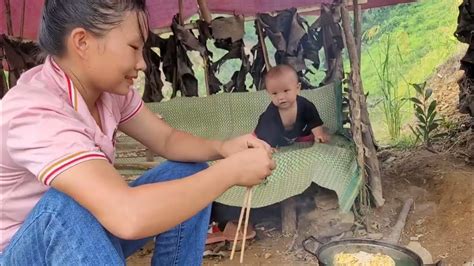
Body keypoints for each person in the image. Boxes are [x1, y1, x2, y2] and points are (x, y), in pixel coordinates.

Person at [0, 1, 275, 265]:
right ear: (82, 42)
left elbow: (167, 140)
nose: (142, 63)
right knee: (64, 209)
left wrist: (224, 148)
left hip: (86, 231)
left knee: (189, 172)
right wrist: (230, 172)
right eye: (133, 47)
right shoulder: (36, 110)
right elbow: (127, 216)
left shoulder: (109, 91)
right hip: (22, 252)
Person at [254, 64, 331, 148]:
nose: (281, 97)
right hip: (278, 134)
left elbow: (314, 120)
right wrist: (268, 146)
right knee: (262, 137)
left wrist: (318, 134)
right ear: (268, 94)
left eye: (286, 90)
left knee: (312, 132)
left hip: (299, 131)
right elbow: (267, 130)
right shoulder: (271, 113)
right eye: (274, 93)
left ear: (297, 88)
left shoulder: (305, 105)